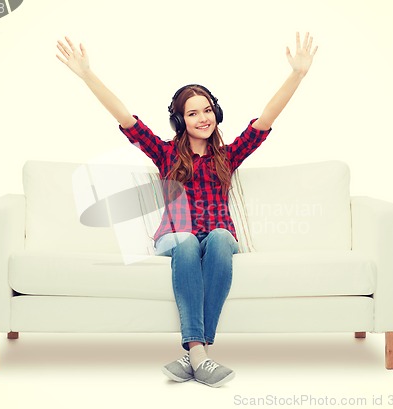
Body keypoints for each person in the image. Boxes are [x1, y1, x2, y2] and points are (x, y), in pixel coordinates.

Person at [56, 32, 317, 387]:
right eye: (192, 113)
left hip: (217, 238)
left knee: (224, 237)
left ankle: (193, 355)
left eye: (207, 110)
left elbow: (266, 119)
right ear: (180, 121)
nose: (202, 117)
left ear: (216, 113)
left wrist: (297, 74)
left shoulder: (227, 156)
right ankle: (202, 354)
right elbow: (126, 119)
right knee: (188, 242)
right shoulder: (165, 154)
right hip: (175, 240)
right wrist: (87, 74)